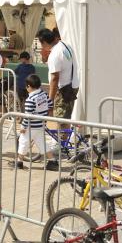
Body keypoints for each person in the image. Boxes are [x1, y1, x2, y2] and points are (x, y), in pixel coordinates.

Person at [37, 28, 80, 170]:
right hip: (73, 86)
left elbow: (54, 79)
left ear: (44, 42)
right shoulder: (66, 45)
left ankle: (62, 148)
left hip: (64, 89)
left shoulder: (55, 54)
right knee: (65, 118)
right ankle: (64, 144)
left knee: (60, 118)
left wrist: (49, 99)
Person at [16, 74, 54, 169]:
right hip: (41, 125)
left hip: (31, 127)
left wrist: (23, 127)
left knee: (23, 141)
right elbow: (50, 105)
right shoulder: (44, 94)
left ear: (28, 86)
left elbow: (28, 116)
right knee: (42, 143)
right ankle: (53, 161)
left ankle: (19, 162)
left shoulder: (30, 99)